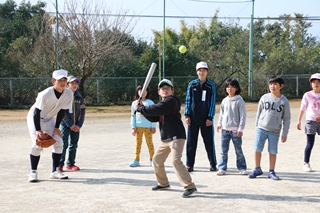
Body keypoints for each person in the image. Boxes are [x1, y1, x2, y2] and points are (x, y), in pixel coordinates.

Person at [134, 79, 197, 198]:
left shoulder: (172, 101)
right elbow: (154, 117)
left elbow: (155, 109)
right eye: (163, 89)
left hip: (177, 137)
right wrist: (142, 108)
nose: (165, 90)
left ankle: (190, 186)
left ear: (172, 91)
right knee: (157, 160)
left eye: (168, 88)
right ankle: (163, 183)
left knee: (175, 160)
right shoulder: (162, 105)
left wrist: (140, 109)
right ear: (159, 91)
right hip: (166, 138)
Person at [27, 69, 73, 182]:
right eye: (59, 80)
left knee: (59, 143)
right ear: (53, 81)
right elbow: (36, 112)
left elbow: (62, 110)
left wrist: (57, 128)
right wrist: (38, 130)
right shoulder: (46, 93)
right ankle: (33, 172)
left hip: (49, 119)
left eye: (64, 80)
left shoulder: (68, 93)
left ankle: (55, 171)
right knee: (38, 144)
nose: (62, 82)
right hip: (35, 119)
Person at [248, 76, 291, 180]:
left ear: (281, 86)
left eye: (275, 84)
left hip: (274, 131)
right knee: (257, 149)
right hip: (261, 128)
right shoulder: (264, 97)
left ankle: (271, 171)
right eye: (271, 84)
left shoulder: (284, 101)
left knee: (273, 151)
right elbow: (259, 112)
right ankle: (257, 169)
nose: (273, 86)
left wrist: (284, 133)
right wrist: (257, 125)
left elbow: (287, 118)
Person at [184, 61, 217, 172]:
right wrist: (187, 114)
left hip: (206, 119)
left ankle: (213, 164)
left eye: (204, 70)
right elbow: (188, 99)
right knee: (191, 142)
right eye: (200, 70)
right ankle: (189, 164)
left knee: (209, 142)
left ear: (207, 72)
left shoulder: (210, 85)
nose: (201, 73)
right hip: (193, 118)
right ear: (197, 72)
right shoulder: (192, 84)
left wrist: (210, 117)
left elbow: (212, 102)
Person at [216, 78, 247, 176]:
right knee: (223, 150)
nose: (230, 89)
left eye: (232, 87)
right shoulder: (224, 101)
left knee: (238, 150)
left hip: (235, 131)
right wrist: (219, 124)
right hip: (225, 130)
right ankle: (222, 168)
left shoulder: (239, 100)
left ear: (236, 88)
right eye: (228, 87)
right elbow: (222, 114)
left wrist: (241, 128)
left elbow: (242, 115)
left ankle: (242, 167)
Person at [58, 76, 86, 172]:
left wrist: (79, 125)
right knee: (63, 144)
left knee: (74, 144)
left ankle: (70, 164)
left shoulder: (79, 97)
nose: (74, 85)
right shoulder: (63, 96)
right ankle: (59, 164)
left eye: (76, 83)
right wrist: (70, 124)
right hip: (65, 125)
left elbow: (82, 112)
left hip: (76, 126)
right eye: (72, 83)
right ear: (67, 85)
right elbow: (61, 112)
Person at [297, 73, 320, 172]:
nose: (316, 84)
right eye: (314, 82)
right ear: (311, 84)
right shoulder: (307, 95)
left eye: (318, 82)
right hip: (311, 121)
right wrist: (299, 120)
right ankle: (306, 163)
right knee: (310, 143)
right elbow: (303, 108)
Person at [130, 85, 156, 167]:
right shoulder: (134, 103)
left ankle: (152, 159)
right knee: (138, 144)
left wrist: (153, 126)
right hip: (138, 127)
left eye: (144, 90)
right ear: (137, 92)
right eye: (140, 91)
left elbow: (154, 115)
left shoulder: (150, 102)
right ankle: (136, 159)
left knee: (149, 143)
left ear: (147, 92)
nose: (142, 92)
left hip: (148, 127)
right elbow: (133, 115)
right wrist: (133, 127)